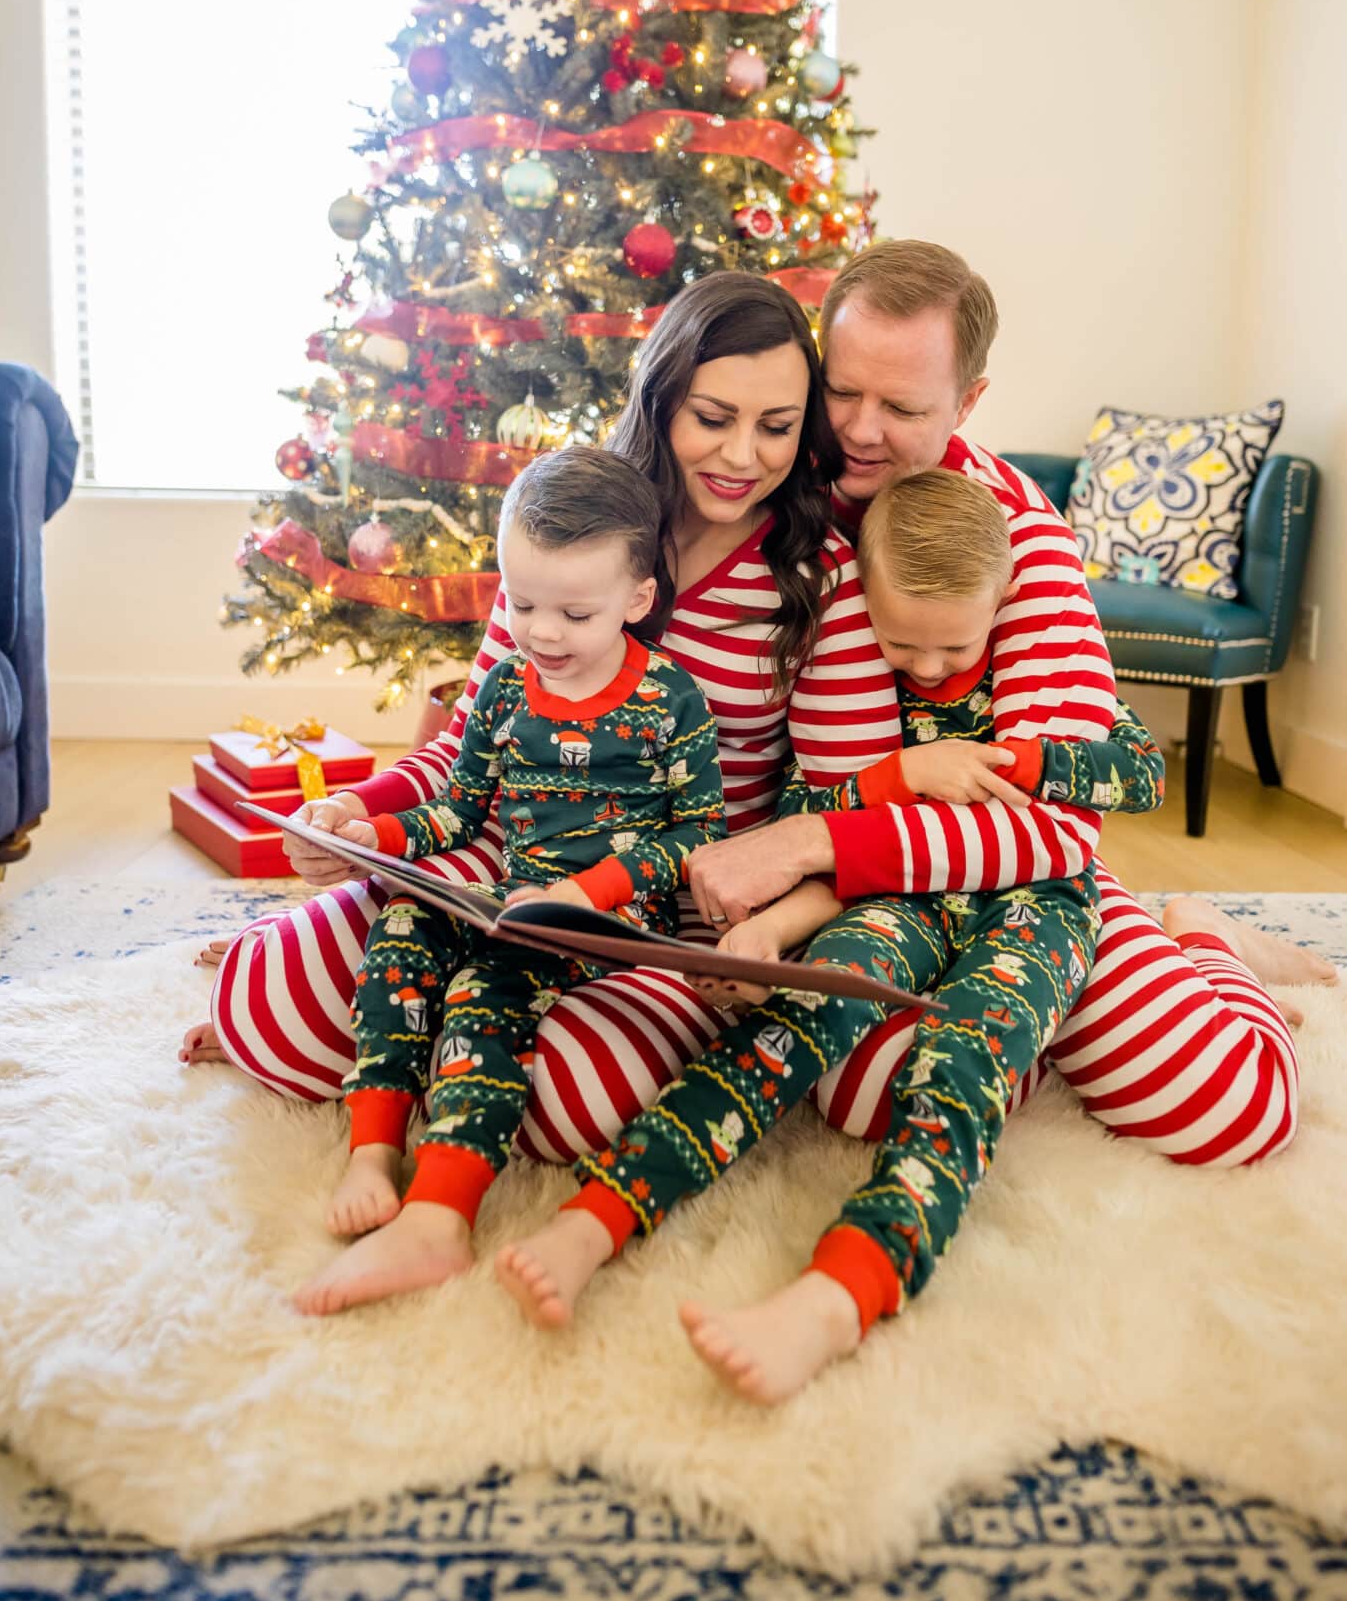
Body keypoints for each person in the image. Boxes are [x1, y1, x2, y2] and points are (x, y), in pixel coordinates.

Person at [182, 273, 906, 1157]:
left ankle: (423, 1062)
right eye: (712, 419)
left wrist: (768, 920)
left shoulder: (819, 578)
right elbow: (464, 754)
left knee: (571, 1100)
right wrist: (354, 816)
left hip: (662, 907)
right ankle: (423, 1052)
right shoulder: (572, 521)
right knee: (266, 993)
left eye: (777, 427)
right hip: (499, 863)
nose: (742, 455)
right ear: (661, 399)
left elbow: (849, 803)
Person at [494, 469, 1162, 1374]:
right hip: (892, 899)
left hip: (1035, 909)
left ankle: (845, 1289)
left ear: (1000, 602)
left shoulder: (1045, 685)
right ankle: (596, 1218)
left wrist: (1011, 758)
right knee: (786, 1026)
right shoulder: (870, 693)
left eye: (951, 647)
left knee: (960, 1065)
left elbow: (1138, 775)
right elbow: (828, 816)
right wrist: (777, 928)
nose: (926, 670)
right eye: (900, 646)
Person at [683, 241, 1319, 1168]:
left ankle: (1202, 934)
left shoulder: (1022, 537)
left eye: (901, 408)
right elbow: (833, 775)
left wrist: (808, 842)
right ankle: (1009, 1037)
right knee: (862, 1094)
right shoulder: (770, 493)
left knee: (1226, 1108)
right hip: (868, 884)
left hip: (1020, 880)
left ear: (967, 404)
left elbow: (1061, 826)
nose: (859, 431)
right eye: (843, 391)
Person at [292, 446, 725, 1315]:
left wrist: (586, 893)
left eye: (574, 611)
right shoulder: (500, 691)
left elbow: (693, 834)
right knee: (408, 922)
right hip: (507, 895)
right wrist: (364, 836)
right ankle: (371, 1148)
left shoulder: (670, 701)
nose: (543, 632)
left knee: (486, 989)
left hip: (604, 923)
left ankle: (440, 1216)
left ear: (637, 602)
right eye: (521, 603)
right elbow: (455, 814)